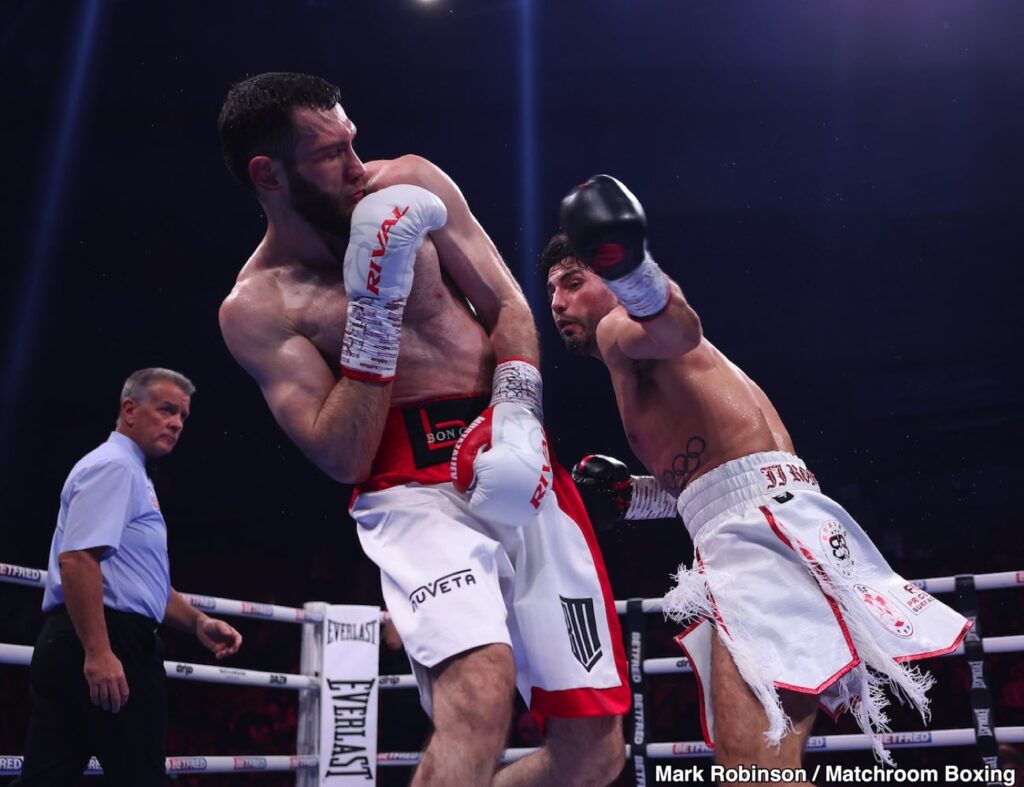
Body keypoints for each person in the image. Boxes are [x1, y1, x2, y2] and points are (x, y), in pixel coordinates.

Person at [216, 72, 628, 786]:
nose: (356, 165)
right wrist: (374, 309)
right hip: (408, 491)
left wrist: (520, 416)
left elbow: (507, 305)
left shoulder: (410, 181)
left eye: (352, 140)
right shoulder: (257, 304)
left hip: (513, 450)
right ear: (268, 173)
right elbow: (341, 454)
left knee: (594, 753)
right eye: (329, 155)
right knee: (478, 691)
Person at [542, 175, 973, 773]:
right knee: (755, 763)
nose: (558, 301)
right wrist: (635, 499)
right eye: (551, 290)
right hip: (766, 520)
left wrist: (630, 269)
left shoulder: (624, 331)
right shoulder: (652, 372)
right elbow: (718, 475)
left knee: (752, 765)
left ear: (610, 282)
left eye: (573, 280)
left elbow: (678, 324)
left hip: (760, 535)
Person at [14, 368, 243, 786]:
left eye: (183, 417)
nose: (176, 423)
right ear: (130, 410)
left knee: (48, 777)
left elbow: (139, 581)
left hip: (88, 637)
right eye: (167, 410)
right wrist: (99, 652)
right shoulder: (115, 467)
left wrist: (197, 622)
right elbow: (78, 559)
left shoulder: (132, 472)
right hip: (105, 639)